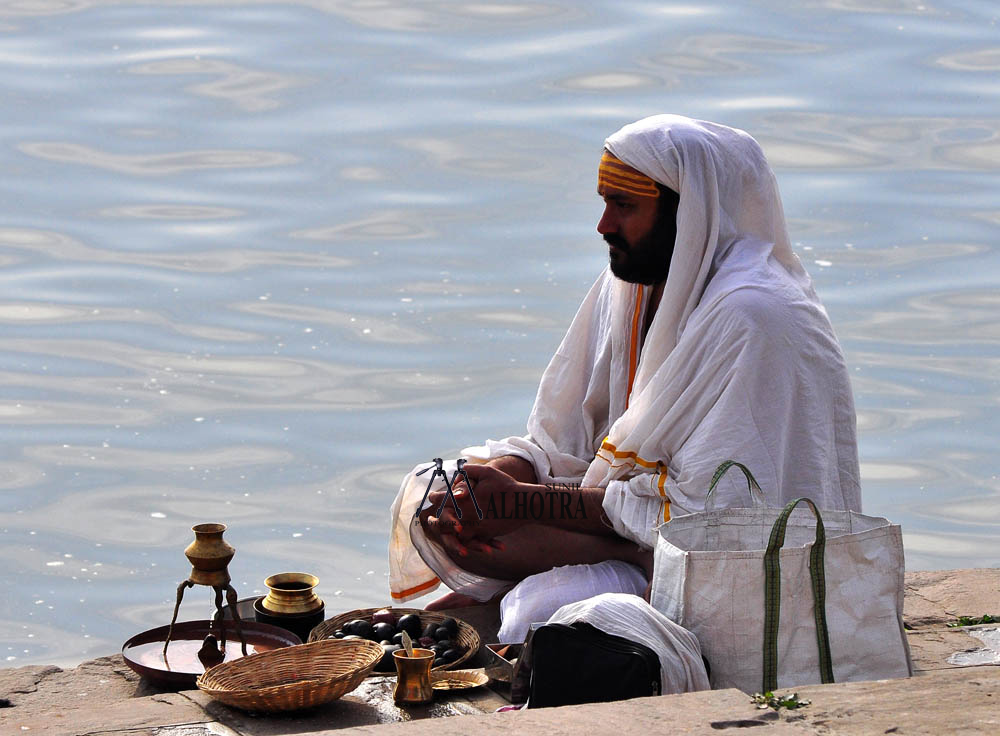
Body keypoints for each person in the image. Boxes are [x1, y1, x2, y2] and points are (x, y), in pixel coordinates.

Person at [388, 114, 861, 616]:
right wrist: (500, 481)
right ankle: (580, 565)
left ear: (693, 213)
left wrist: (522, 502)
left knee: (537, 609)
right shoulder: (631, 285)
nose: (603, 226)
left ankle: (590, 569)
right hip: (626, 521)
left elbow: (716, 518)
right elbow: (567, 445)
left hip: (723, 569)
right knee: (435, 498)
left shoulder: (758, 318)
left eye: (625, 206)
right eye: (605, 203)